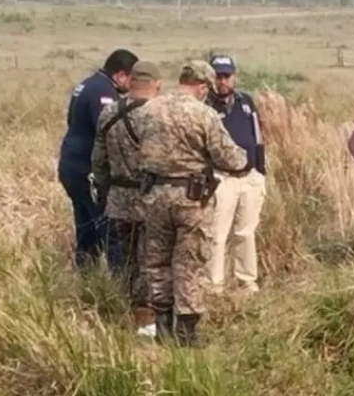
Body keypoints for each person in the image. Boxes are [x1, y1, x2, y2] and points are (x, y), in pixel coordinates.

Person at [136, 61, 249, 346]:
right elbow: (229, 158)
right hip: (191, 200)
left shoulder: (149, 109)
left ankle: (161, 328)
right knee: (189, 264)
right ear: (201, 86)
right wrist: (245, 160)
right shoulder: (205, 114)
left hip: (155, 197)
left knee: (157, 262)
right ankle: (186, 333)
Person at [92, 60, 162, 338]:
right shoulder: (157, 114)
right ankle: (147, 320)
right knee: (152, 259)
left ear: (131, 81)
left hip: (119, 199)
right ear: (155, 83)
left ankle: (127, 309)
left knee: (128, 257)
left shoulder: (109, 112)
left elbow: (98, 160)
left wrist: (105, 190)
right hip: (151, 199)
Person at [57, 49, 139, 268]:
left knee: (86, 226)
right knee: (107, 227)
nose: (131, 86)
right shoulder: (104, 94)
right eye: (132, 80)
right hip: (87, 169)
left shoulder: (87, 84)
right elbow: (108, 131)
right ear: (121, 75)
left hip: (71, 164)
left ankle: (86, 274)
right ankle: (116, 283)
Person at [204, 54, 266, 294]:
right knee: (217, 235)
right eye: (218, 76)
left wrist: (260, 173)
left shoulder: (246, 102)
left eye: (226, 76)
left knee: (246, 232)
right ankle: (214, 284)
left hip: (249, 177)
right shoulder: (205, 107)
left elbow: (258, 138)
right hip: (222, 177)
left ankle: (246, 280)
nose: (222, 82)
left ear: (234, 76)